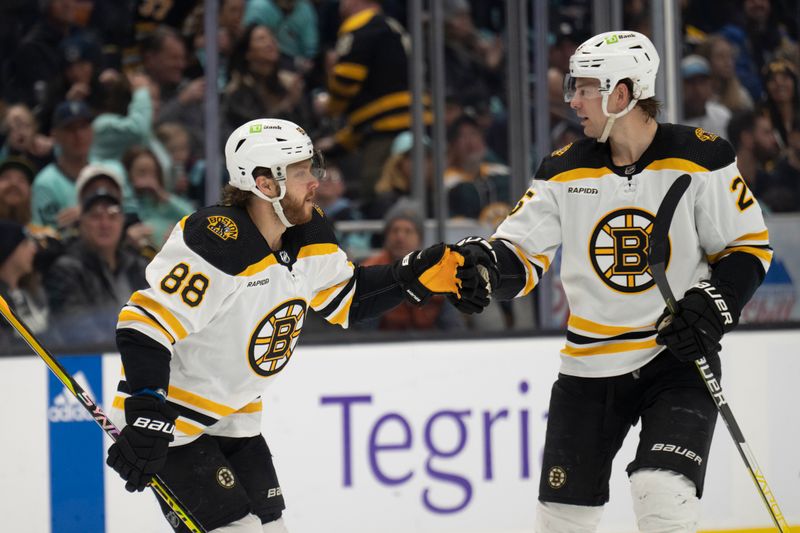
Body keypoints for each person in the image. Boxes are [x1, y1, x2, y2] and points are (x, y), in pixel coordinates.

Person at [450, 31, 773, 532]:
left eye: (583, 89)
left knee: (661, 494)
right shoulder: (562, 170)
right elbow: (519, 252)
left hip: (677, 357)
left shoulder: (701, 158)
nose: (572, 100)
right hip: (589, 367)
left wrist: (713, 304)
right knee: (562, 519)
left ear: (621, 94)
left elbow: (748, 247)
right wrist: (485, 271)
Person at [104, 118, 484, 532]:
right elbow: (145, 323)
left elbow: (348, 298)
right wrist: (144, 408)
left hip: (234, 416)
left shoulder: (307, 231)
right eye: (302, 172)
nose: (315, 182)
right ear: (266, 184)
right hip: (167, 422)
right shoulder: (217, 239)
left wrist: (416, 278)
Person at [45, 163, 149, 344]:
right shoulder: (67, 269)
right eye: (95, 216)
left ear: (123, 220)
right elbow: (77, 330)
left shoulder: (139, 266)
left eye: (112, 215)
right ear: (81, 221)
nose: (104, 224)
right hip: (94, 363)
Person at [360, 201, 465, 331]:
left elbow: (453, 328)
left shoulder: (438, 274)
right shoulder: (371, 272)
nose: (400, 237)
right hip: (385, 346)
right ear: (386, 237)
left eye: (408, 231)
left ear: (419, 239)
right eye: (395, 230)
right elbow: (364, 333)